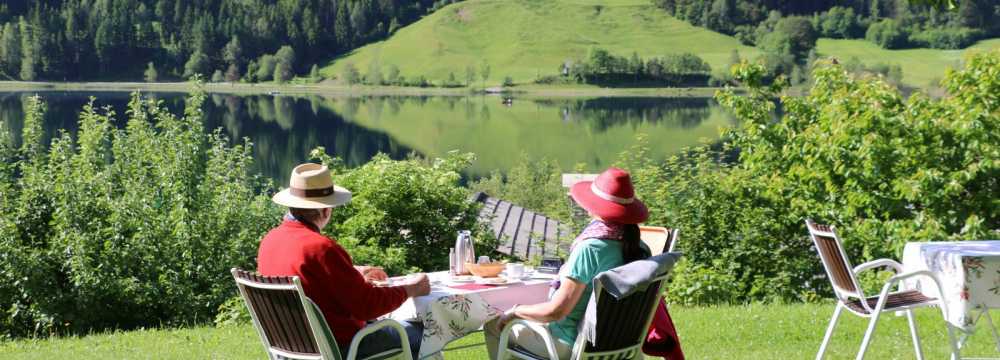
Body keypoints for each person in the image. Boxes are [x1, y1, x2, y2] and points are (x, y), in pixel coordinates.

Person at [257, 163, 430, 359]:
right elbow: (367, 306)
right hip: (341, 346)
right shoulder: (321, 248)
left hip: (291, 348)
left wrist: (354, 271)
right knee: (425, 333)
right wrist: (411, 289)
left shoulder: (270, 241)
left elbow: (306, 276)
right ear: (324, 211)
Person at [485, 167, 650, 359]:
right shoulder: (641, 248)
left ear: (593, 207)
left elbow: (556, 312)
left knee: (493, 326)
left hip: (571, 344)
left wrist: (514, 312)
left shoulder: (591, 248)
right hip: (621, 345)